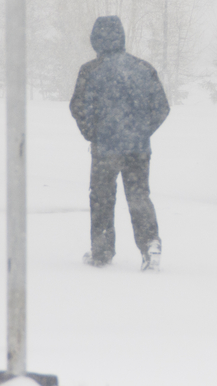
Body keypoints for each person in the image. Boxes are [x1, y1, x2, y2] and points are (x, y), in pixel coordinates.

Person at [70, 16, 170, 271]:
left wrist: (93, 132)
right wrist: (141, 131)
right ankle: (150, 244)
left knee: (102, 197)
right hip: (138, 148)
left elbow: (77, 107)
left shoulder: (89, 71)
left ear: (96, 40)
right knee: (139, 196)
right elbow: (161, 107)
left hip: (105, 149)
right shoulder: (143, 68)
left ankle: (101, 251)